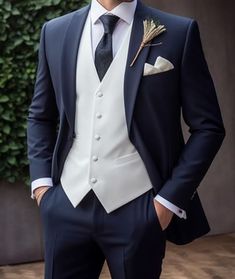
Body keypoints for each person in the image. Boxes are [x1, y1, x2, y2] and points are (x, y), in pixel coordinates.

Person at [27, 0, 225, 278]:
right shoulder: (55, 32)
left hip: (140, 209)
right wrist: (42, 188)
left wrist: (167, 203)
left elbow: (209, 127)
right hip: (65, 206)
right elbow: (40, 116)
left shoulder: (179, 32)